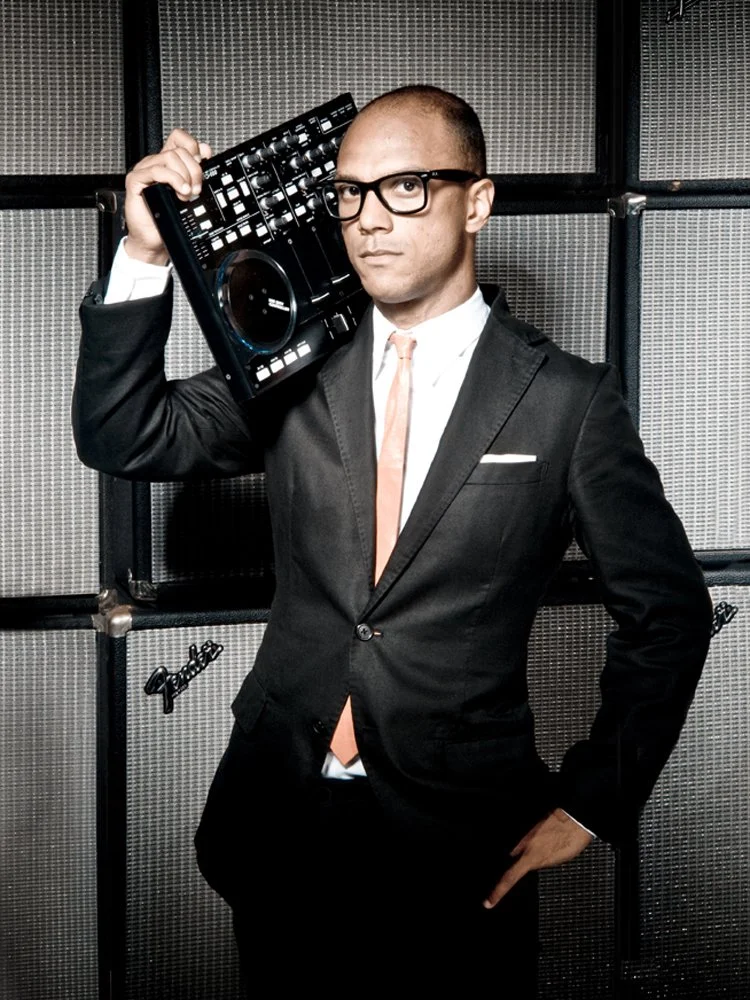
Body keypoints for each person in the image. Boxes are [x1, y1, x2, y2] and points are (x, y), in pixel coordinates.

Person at [73, 85, 712, 995]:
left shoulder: (568, 402)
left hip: (463, 845)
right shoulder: (292, 367)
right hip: (280, 824)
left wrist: (592, 801)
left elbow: (669, 614)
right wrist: (145, 251)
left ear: (476, 202)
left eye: (405, 187)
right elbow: (124, 433)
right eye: (348, 192)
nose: (368, 219)